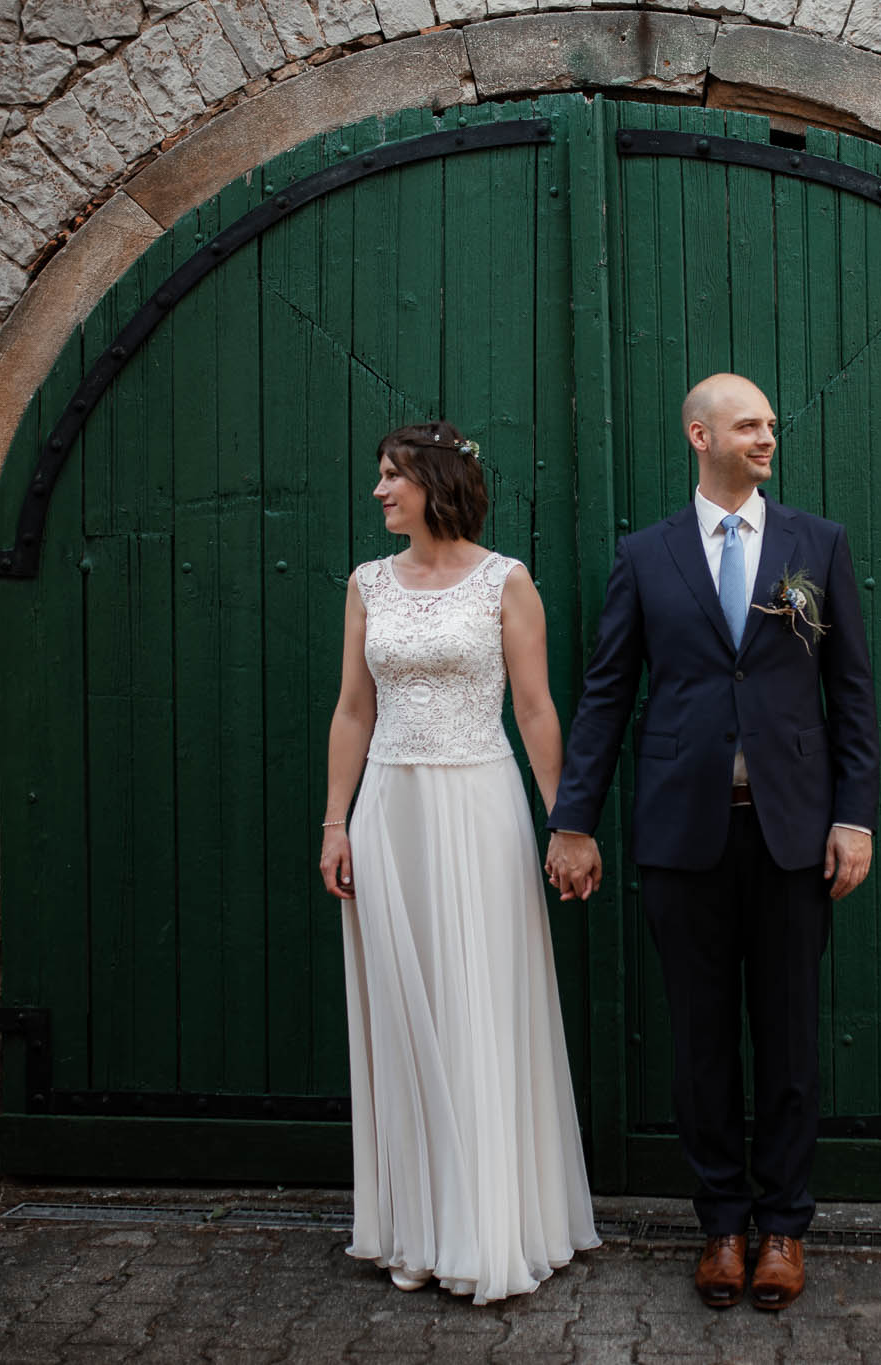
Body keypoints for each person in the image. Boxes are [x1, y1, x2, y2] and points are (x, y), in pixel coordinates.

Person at [545, 374, 881, 1312]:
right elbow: (608, 692)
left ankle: (783, 1227)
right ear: (701, 434)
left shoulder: (817, 544)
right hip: (681, 835)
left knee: (787, 1038)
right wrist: (575, 817)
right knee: (699, 1042)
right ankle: (721, 1226)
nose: (766, 436)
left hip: (793, 835)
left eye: (771, 424)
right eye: (748, 424)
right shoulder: (645, 555)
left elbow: (851, 694)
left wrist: (854, 816)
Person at [319, 421, 599, 1304]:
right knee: (405, 1006)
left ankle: (493, 1224)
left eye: (392, 476)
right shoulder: (368, 583)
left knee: (481, 1001)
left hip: (478, 803)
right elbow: (353, 709)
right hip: (390, 808)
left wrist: (568, 824)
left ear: (435, 482)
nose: (378, 492)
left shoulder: (506, 581)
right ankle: (418, 1223)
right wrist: (336, 822)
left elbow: (535, 709)